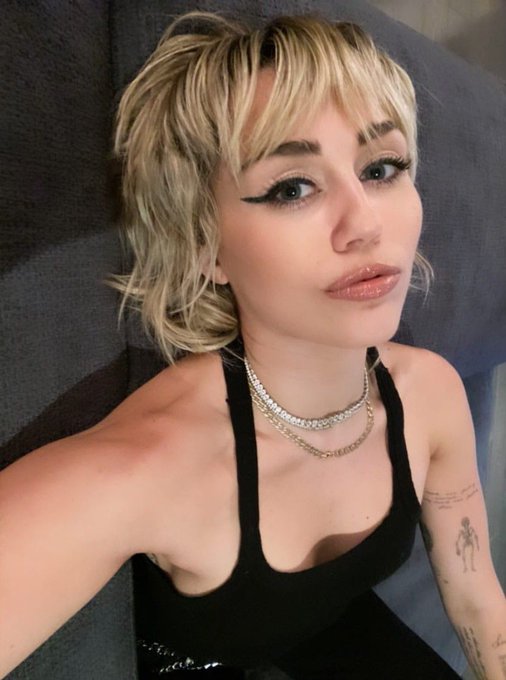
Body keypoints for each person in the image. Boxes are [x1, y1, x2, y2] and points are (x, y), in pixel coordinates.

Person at [1, 10, 504, 680]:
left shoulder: (431, 394)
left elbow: (477, 603)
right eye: (292, 188)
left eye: (382, 168)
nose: (365, 224)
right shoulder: (153, 464)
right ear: (206, 248)